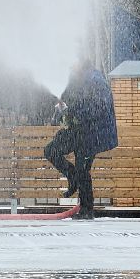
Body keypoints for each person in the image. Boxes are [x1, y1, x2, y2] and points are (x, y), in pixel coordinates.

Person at [44, 61, 119, 220]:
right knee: (51, 150)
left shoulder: (95, 80)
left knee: (83, 170)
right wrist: (61, 110)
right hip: (78, 130)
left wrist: (73, 112)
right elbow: (68, 104)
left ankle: (87, 210)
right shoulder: (77, 81)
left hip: (93, 134)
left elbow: (99, 107)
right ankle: (72, 176)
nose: (70, 68)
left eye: (73, 66)